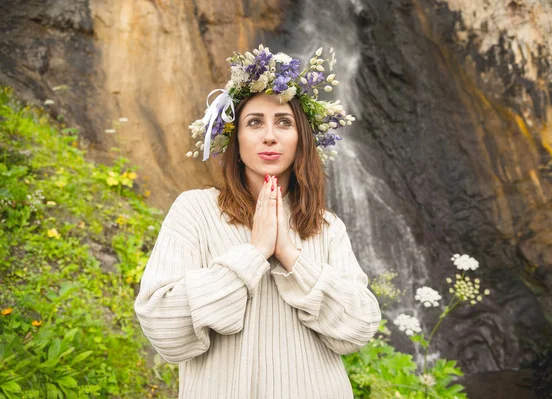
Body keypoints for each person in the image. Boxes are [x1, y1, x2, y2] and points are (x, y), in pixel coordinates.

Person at [134, 44, 382, 399]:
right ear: (235, 140)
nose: (270, 135)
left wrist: (290, 255)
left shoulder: (327, 226)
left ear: (302, 140)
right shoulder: (194, 211)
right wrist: (253, 254)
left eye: (284, 122)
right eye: (254, 122)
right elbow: (163, 329)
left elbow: (358, 328)